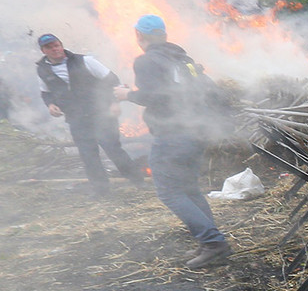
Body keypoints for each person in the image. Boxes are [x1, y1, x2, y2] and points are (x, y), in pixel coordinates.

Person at [113, 15, 232, 268]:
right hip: (196, 132)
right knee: (189, 189)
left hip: (173, 134)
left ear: (139, 35)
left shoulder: (147, 61)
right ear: (164, 34)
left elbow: (156, 97)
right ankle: (209, 241)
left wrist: (127, 94)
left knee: (169, 191)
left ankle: (213, 243)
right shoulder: (182, 58)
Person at [36, 34, 142, 197]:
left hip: (101, 114)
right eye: (49, 47)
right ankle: (101, 191)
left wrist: (114, 103)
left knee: (113, 149)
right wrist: (51, 105)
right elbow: (46, 93)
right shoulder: (43, 70)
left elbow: (112, 80)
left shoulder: (85, 61)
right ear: (43, 51)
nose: (55, 49)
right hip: (76, 119)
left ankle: (138, 182)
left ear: (61, 45)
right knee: (88, 156)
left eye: (57, 45)